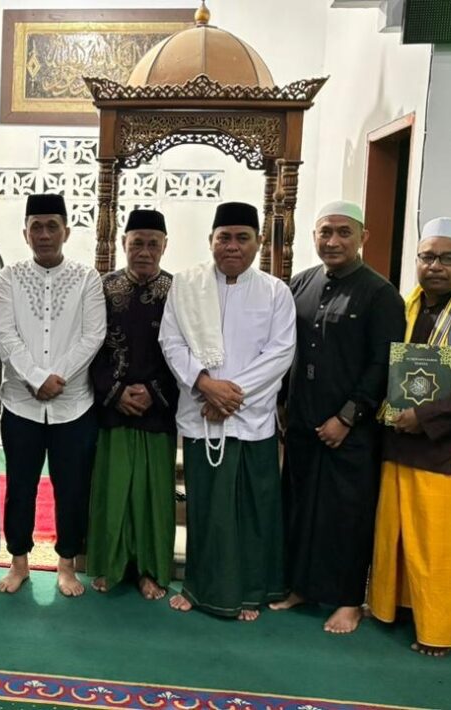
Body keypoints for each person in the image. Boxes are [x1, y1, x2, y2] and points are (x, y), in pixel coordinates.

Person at [367, 217, 451, 656]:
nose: (436, 266)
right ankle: (395, 608)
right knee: (395, 535)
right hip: (396, 442)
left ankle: (439, 629)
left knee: (438, 545)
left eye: (448, 259)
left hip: (444, 448)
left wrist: (425, 417)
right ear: (417, 261)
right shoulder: (402, 310)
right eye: (427, 257)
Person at [272, 200, 405, 634]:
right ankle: (300, 587)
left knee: (346, 515)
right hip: (302, 420)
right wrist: (281, 404)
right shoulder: (300, 283)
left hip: (352, 430)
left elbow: (383, 363)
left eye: (344, 232)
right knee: (300, 508)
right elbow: (283, 349)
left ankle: (348, 599)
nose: (333, 241)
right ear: (314, 236)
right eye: (325, 232)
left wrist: (347, 418)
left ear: (362, 237)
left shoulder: (380, 294)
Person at [159, 201, 296, 620]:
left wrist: (231, 397)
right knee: (206, 510)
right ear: (211, 241)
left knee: (252, 511)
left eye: (242, 238)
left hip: (251, 419)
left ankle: (250, 592)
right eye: (224, 237)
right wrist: (206, 386)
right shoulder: (186, 285)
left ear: (258, 242)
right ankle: (200, 589)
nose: (232, 246)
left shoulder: (275, 291)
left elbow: (281, 353)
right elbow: (171, 341)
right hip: (202, 414)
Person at [0, 193, 107, 597]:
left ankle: (66, 565)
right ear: (25, 233)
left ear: (66, 232)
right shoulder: (9, 277)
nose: (44, 234)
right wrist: (36, 377)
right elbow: (4, 334)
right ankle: (19, 562)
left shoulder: (87, 278)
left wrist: (56, 378)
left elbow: (94, 334)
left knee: (71, 488)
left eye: (52, 227)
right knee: (20, 487)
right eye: (36, 227)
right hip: (20, 403)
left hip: (74, 405)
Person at [87, 208, 179, 600]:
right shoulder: (102, 288)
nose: (144, 251)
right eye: (137, 242)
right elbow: (89, 346)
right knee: (113, 491)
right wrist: (116, 392)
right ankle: (110, 565)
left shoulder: (177, 291)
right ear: (123, 243)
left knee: (153, 496)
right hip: (113, 406)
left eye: (152, 244)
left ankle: (150, 571)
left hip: (158, 408)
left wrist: (154, 392)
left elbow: (188, 351)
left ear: (164, 246)